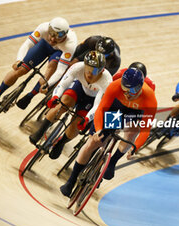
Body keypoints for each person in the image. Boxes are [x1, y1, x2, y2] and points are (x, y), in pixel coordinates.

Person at [60, 66, 157, 197]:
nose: (127, 93)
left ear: (140, 87)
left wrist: (136, 147)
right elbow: (101, 109)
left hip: (133, 112)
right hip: (115, 109)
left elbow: (146, 129)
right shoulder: (116, 85)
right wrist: (99, 130)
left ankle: (112, 161)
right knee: (92, 143)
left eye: (132, 90)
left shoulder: (149, 97)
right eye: (125, 89)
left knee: (133, 130)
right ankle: (70, 182)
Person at [0, 17, 78, 112]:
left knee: (51, 69)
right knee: (20, 70)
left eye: (57, 38)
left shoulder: (70, 44)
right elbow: (27, 44)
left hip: (59, 52)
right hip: (44, 45)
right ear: (48, 30)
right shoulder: (43, 28)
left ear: (64, 36)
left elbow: (60, 70)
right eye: (51, 35)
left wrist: (48, 84)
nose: (52, 39)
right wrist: (19, 60)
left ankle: (30, 96)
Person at [29, 51, 112, 161]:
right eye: (88, 69)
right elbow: (62, 84)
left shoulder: (106, 80)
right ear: (84, 65)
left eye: (95, 70)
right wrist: (55, 97)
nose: (90, 73)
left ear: (102, 70)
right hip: (79, 88)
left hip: (92, 100)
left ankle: (61, 142)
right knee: (63, 103)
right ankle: (40, 131)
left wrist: (87, 119)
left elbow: (97, 105)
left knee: (78, 123)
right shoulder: (77, 67)